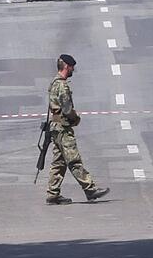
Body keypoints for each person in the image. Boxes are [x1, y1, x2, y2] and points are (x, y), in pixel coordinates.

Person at [45, 54, 110, 205]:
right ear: (67, 66)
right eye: (72, 66)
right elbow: (67, 109)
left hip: (55, 127)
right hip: (63, 128)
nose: (73, 69)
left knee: (59, 162)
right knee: (73, 160)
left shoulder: (54, 83)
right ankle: (90, 189)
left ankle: (52, 193)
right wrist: (75, 119)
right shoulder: (62, 85)